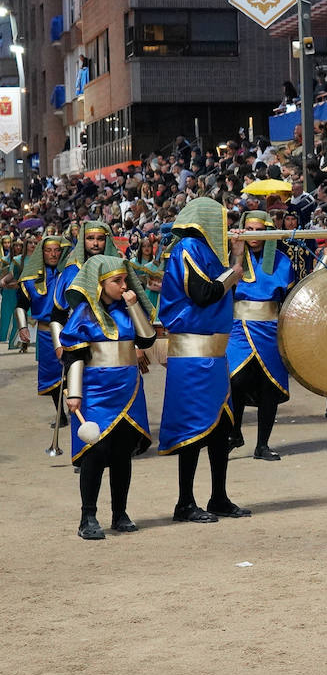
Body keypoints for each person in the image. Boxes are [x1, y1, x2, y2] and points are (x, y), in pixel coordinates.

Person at [158, 198, 251, 523]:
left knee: (221, 426)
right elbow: (204, 294)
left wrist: (236, 258)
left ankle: (218, 497)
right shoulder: (187, 248)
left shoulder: (207, 252)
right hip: (192, 355)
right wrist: (232, 274)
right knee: (192, 428)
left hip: (213, 354)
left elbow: (224, 285)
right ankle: (185, 502)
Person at [59, 255, 157, 539]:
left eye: (124, 279)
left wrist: (135, 306)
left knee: (122, 452)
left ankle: (120, 513)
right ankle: (87, 517)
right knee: (96, 452)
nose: (124, 285)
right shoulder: (83, 315)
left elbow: (147, 339)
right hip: (96, 393)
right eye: (117, 281)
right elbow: (74, 356)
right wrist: (74, 395)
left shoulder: (129, 310)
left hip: (128, 390)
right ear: (99, 285)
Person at [227, 211, 296, 462]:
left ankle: (262, 444)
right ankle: (234, 433)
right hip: (239, 327)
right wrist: (235, 254)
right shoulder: (231, 256)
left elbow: (288, 299)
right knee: (235, 380)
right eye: (249, 229)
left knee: (269, 386)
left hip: (270, 328)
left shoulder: (282, 261)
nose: (253, 235)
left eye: (259, 230)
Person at [17, 234, 71, 422]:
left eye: (57, 250)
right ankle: (60, 413)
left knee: (76, 371)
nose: (53, 254)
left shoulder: (69, 273)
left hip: (71, 329)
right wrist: (23, 327)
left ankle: (76, 406)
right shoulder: (31, 279)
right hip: (47, 332)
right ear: (42, 253)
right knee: (53, 375)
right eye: (48, 250)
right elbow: (21, 304)